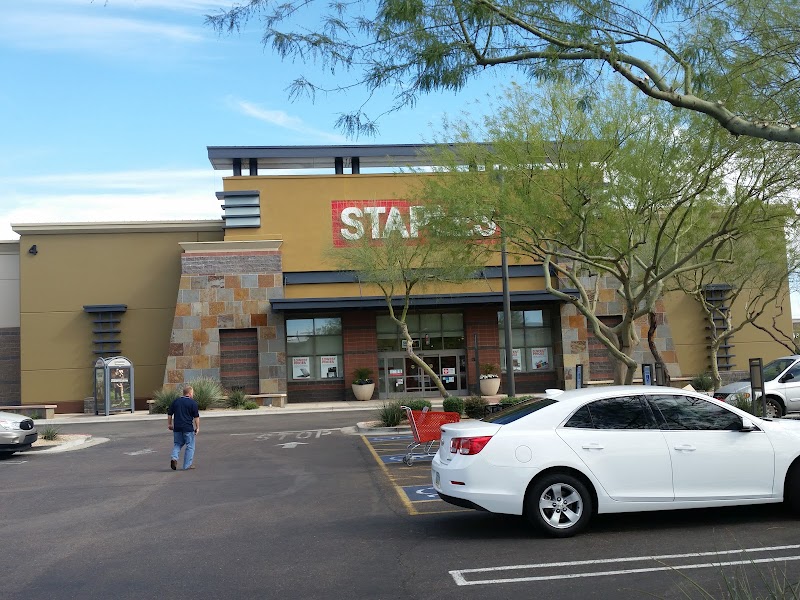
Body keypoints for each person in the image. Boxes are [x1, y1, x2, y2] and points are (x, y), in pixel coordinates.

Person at [167, 385, 199, 471]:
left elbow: (170, 414)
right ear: (190, 393)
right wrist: (197, 427)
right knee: (190, 446)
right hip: (188, 428)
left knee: (177, 444)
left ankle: (174, 458)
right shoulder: (193, 403)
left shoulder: (176, 401)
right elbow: (196, 417)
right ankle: (187, 465)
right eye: (192, 393)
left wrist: (169, 424)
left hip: (177, 428)